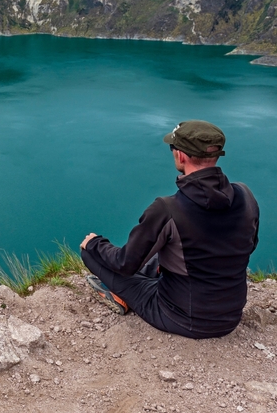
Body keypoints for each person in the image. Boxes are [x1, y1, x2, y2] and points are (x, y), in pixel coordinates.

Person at [79, 120, 259, 339]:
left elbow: (125, 263)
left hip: (181, 317)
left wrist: (95, 243)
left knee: (91, 254)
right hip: (230, 317)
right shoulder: (245, 195)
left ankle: (118, 294)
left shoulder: (168, 209)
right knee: (165, 251)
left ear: (180, 155)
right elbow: (249, 246)